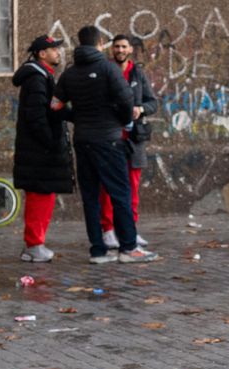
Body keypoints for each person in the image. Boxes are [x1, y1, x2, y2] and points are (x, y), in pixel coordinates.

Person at [55, 26, 158, 264]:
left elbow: (55, 106)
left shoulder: (69, 73)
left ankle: (98, 251)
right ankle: (129, 248)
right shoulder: (109, 69)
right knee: (121, 194)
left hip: (83, 140)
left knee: (90, 196)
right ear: (100, 43)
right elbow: (126, 100)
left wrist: (77, 116)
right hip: (109, 140)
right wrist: (121, 120)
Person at [12, 35, 74, 263]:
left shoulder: (42, 76)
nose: (58, 52)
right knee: (40, 197)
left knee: (43, 196)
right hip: (39, 152)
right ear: (42, 54)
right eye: (53, 49)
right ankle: (34, 245)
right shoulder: (36, 79)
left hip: (39, 150)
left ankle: (36, 244)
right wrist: (50, 142)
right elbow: (37, 116)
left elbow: (52, 109)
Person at [99, 35, 157, 253]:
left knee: (132, 187)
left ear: (130, 49)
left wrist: (140, 109)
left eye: (123, 46)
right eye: (116, 46)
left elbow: (153, 103)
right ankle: (108, 229)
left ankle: (130, 229)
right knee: (107, 188)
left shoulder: (138, 73)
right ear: (111, 49)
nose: (120, 50)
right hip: (110, 138)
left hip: (134, 141)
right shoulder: (106, 71)